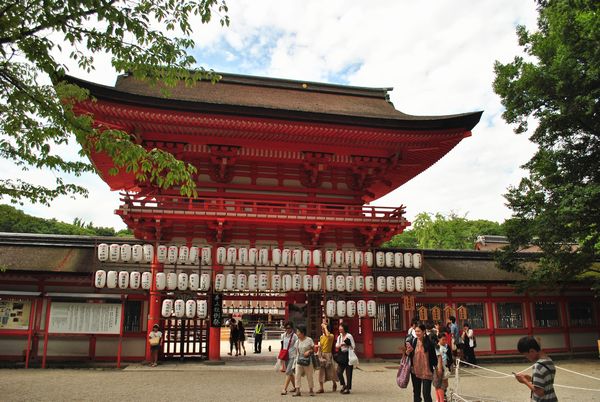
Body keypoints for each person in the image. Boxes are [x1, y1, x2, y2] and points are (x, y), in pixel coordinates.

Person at [514, 337, 557, 402]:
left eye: (526, 355)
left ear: (532, 351)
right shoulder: (549, 360)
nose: (527, 358)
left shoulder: (538, 366)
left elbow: (539, 392)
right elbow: (546, 381)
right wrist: (531, 379)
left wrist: (524, 381)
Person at [405, 324, 438, 402]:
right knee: (416, 393)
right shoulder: (413, 341)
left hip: (427, 371)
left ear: (424, 332)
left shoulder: (429, 343)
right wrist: (407, 352)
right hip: (415, 371)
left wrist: (437, 369)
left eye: (419, 331)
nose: (417, 333)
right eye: (416, 331)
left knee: (426, 394)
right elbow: (408, 355)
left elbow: (433, 357)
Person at [293, 325, 315, 397]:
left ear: (302, 333)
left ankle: (311, 389)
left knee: (309, 375)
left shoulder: (309, 340)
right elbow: (296, 352)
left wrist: (309, 351)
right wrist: (295, 361)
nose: (297, 333)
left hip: (308, 360)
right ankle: (297, 390)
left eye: (298, 331)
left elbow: (313, 349)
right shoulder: (297, 341)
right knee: (297, 375)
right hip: (299, 359)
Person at [317, 321, 338, 393]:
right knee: (321, 371)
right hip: (322, 354)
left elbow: (328, 336)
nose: (322, 329)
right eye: (322, 328)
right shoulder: (321, 337)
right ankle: (321, 388)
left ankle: (334, 383)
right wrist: (318, 354)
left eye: (323, 328)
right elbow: (320, 346)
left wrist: (325, 326)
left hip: (328, 355)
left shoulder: (331, 336)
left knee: (331, 371)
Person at [335, 323, 355, 395]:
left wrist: (347, 344)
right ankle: (343, 385)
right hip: (342, 355)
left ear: (344, 328)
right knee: (338, 372)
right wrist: (341, 345)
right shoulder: (339, 337)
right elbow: (336, 345)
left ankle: (348, 388)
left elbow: (353, 346)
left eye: (341, 328)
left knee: (348, 372)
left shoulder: (349, 336)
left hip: (348, 354)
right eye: (339, 328)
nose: (340, 329)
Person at [280, 321, 298, 395]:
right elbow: (282, 346)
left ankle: (284, 389)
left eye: (289, 328)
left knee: (288, 372)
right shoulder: (283, 335)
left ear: (291, 328)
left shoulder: (294, 336)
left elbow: (297, 346)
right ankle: (295, 387)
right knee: (290, 373)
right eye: (286, 328)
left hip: (293, 356)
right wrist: (281, 356)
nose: (288, 329)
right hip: (286, 355)